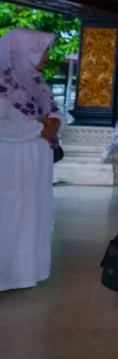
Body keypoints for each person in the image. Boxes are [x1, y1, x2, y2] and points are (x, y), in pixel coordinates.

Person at [0, 28, 61, 292]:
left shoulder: (38, 83)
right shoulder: (3, 84)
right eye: (42, 50)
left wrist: (56, 123)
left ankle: (27, 272)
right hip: (11, 161)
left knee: (32, 211)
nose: (47, 56)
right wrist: (39, 129)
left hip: (36, 162)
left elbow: (57, 113)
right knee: (10, 211)